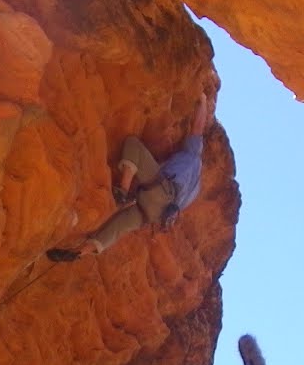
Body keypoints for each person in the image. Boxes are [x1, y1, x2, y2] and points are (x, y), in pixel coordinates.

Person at [47, 95, 211, 261]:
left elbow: (198, 127)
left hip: (161, 191)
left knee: (134, 145)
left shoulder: (193, 154)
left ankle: (122, 191)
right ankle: (80, 252)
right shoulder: (194, 190)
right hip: (154, 214)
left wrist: (203, 101)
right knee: (119, 225)